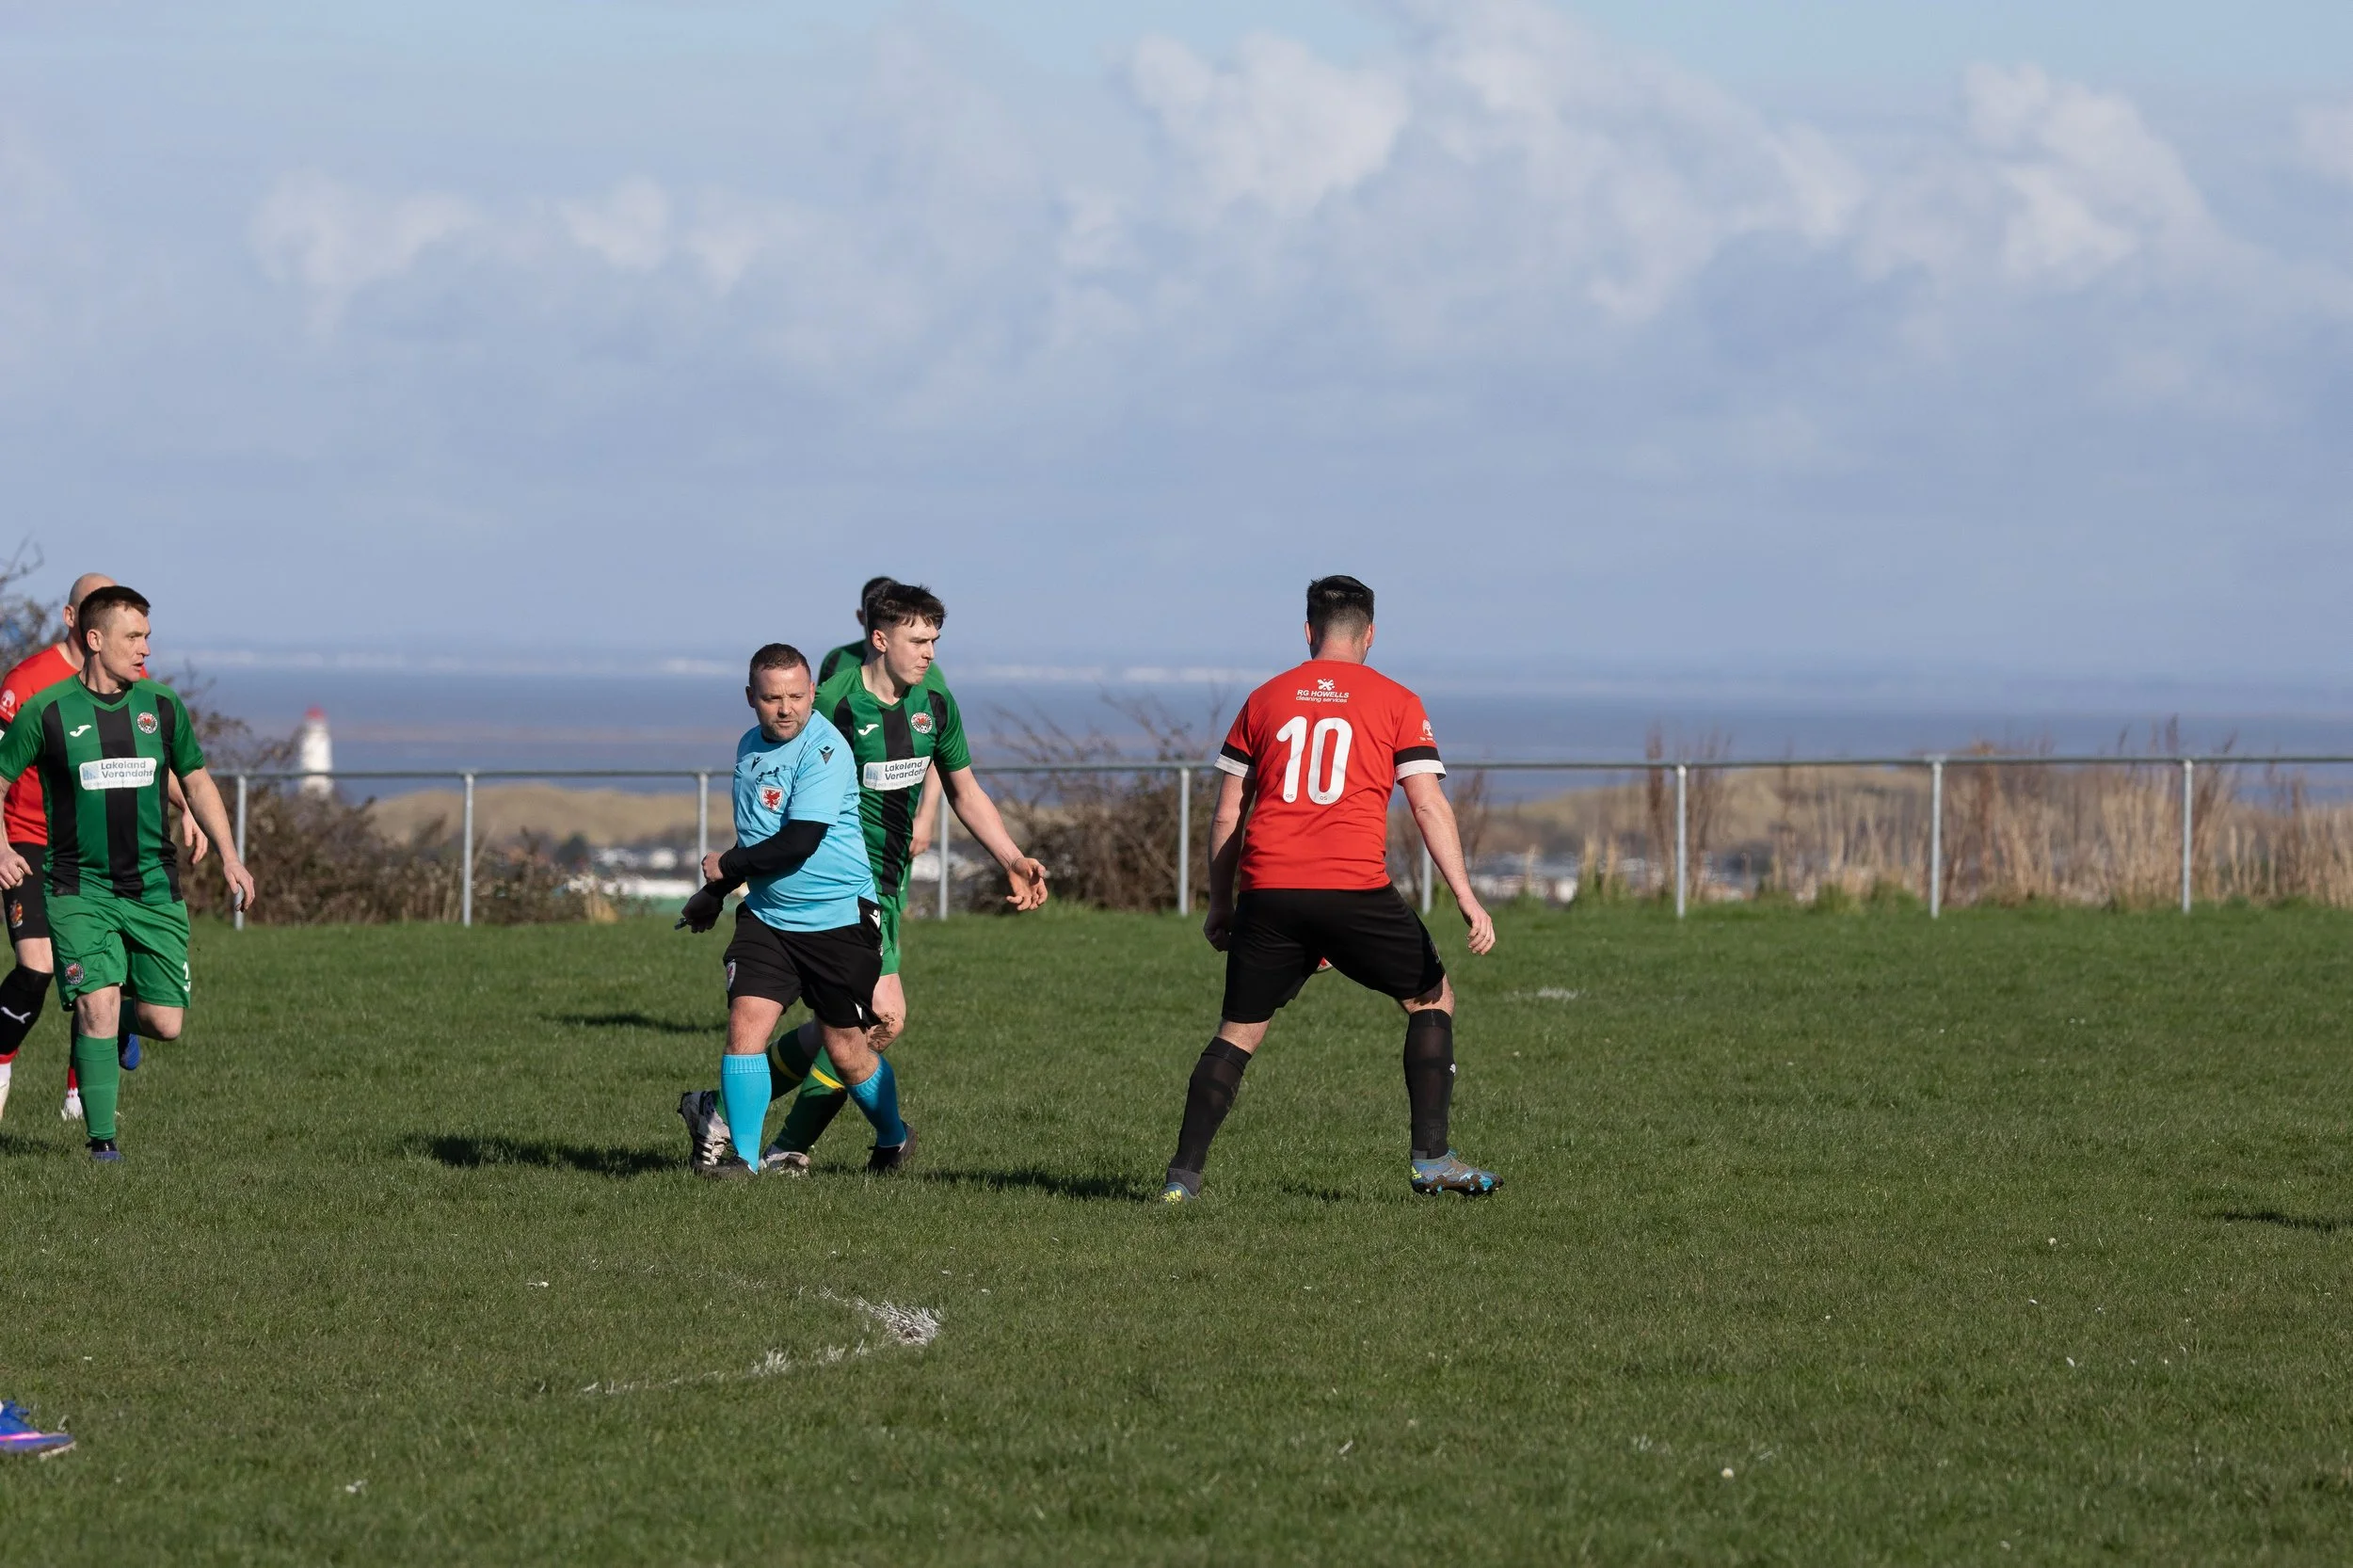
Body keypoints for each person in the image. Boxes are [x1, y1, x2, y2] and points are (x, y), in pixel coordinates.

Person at [678, 584, 1048, 1174]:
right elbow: (779, 808)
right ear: (880, 640)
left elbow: (964, 788)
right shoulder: (826, 706)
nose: (929, 653)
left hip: (883, 886)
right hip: (839, 887)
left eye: (934, 641)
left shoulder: (938, 706)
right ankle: (784, 1145)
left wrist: (1011, 857)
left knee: (856, 1029)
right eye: (918, 640)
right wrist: (725, 884)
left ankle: (735, 1119)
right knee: (873, 1024)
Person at [1160, 575, 1500, 1203]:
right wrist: (1466, 898)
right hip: (1353, 890)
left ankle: (1182, 1180)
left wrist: (1220, 900)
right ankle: (1431, 1160)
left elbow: (1227, 814)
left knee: (1239, 1032)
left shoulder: (1263, 700)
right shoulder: (1397, 700)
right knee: (1431, 999)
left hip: (1269, 889)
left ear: (1309, 631)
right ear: (1370, 635)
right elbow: (1428, 807)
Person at [0, 586, 255, 1161]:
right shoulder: (48, 711)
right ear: (95, 640)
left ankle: (121, 1027)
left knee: (165, 1024)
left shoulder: (162, 707)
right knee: (97, 1001)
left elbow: (195, 780)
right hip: (75, 887)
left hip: (152, 888)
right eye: (132, 637)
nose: (145, 649)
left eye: (147, 636)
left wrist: (231, 855)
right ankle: (102, 1144)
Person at [675, 643, 911, 1178]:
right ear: (751, 699)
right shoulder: (747, 747)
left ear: (811, 693)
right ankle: (744, 1161)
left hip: (838, 920)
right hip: (769, 918)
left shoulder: (826, 750)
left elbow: (799, 841)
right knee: (746, 1024)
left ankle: (894, 1138)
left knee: (846, 1050)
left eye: (797, 696)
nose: (786, 709)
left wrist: (724, 866)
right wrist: (715, 893)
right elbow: (758, 835)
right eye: (772, 698)